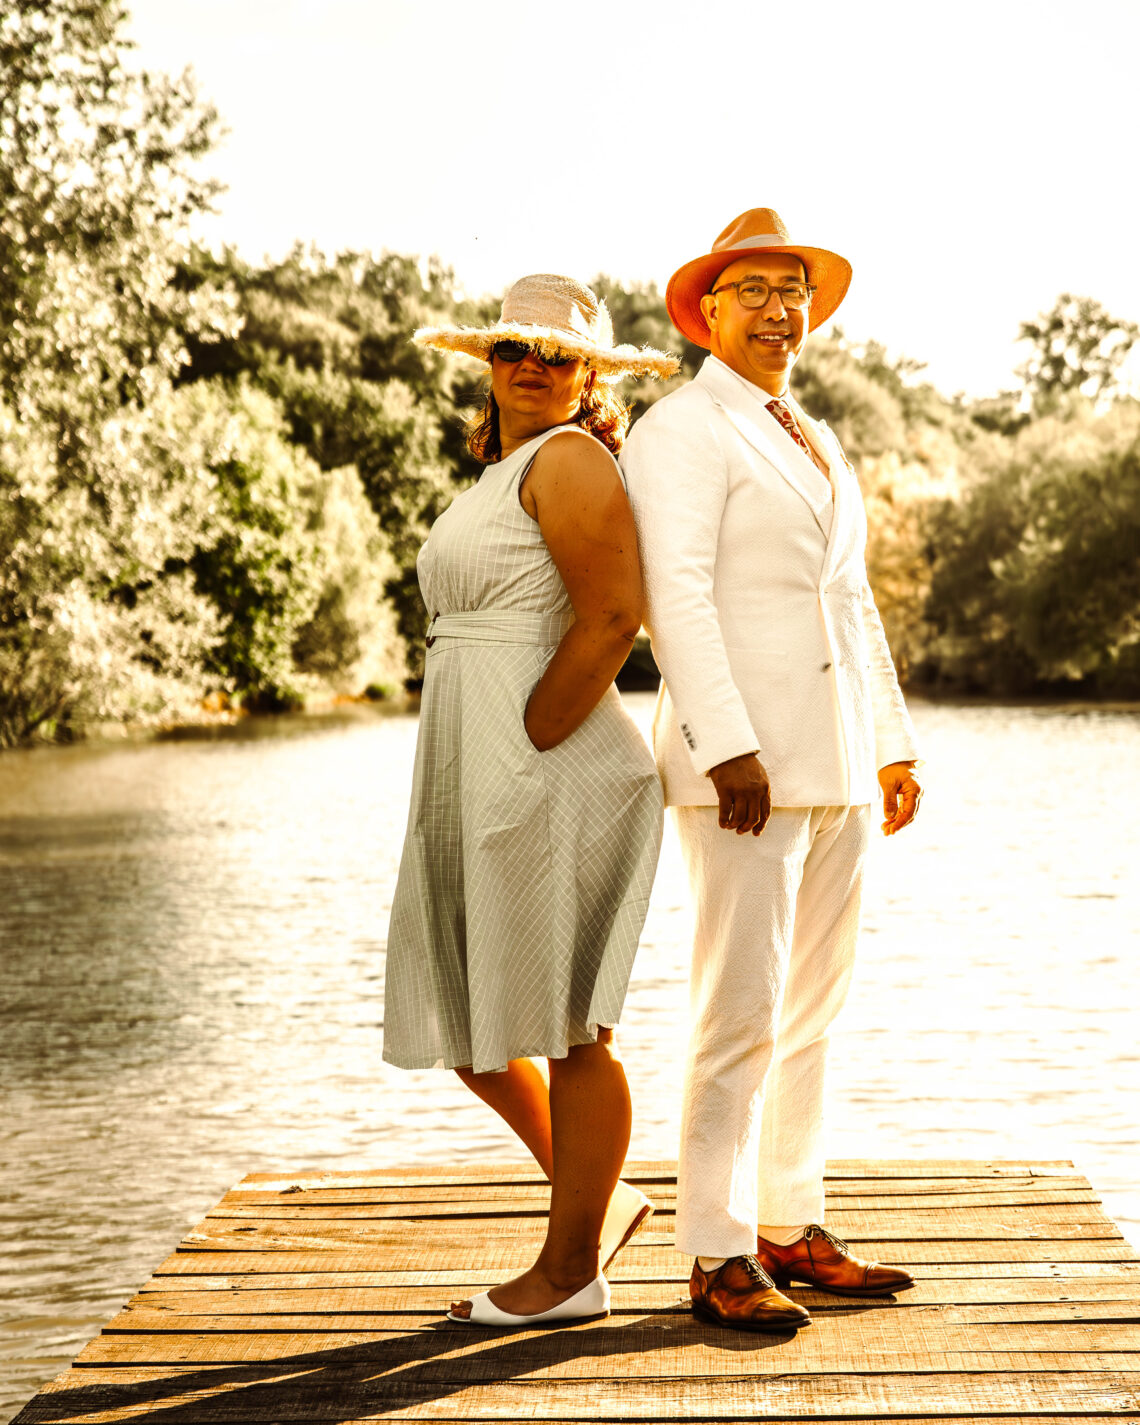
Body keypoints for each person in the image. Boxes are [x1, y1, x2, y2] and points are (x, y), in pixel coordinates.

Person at [621, 210, 923, 1333]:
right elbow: (676, 596)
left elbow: (847, 595)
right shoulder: (682, 429)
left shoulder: (815, 434)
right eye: (753, 289)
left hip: (837, 758)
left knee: (815, 1010)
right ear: (708, 309)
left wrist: (888, 741)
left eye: (794, 288)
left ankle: (792, 1225)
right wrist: (725, 740)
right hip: (741, 766)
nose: (780, 308)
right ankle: (713, 1250)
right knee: (737, 1008)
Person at [382, 274, 678, 1328]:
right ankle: (605, 1203)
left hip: (542, 759)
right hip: (480, 755)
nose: (534, 368)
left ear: (588, 375)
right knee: (470, 1021)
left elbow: (613, 617)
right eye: (515, 351)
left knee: (568, 1027)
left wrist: (533, 737)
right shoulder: (503, 470)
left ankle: (570, 1274)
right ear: (489, 364)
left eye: (558, 356)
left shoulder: (571, 458)